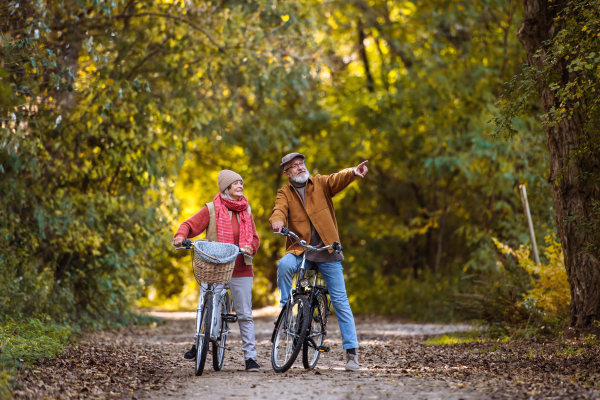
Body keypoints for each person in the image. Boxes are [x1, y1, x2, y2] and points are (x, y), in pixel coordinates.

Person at [269, 152, 369, 371]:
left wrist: (353, 171)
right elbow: (279, 210)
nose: (299, 167)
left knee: (341, 301)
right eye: (293, 166)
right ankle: (286, 309)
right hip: (300, 251)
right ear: (287, 173)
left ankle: (351, 353)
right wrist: (277, 221)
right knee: (284, 265)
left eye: (301, 163)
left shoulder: (321, 183)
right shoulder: (284, 193)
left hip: (327, 251)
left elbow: (338, 178)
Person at [173, 170, 261, 372]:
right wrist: (180, 235)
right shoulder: (211, 209)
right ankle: (199, 341)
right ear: (226, 188)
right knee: (204, 302)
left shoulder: (246, 211)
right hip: (215, 267)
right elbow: (189, 225)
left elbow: (255, 238)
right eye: (236, 183)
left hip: (241, 267)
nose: (241, 186)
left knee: (245, 314)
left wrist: (251, 247)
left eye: (241, 183)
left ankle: (250, 358)